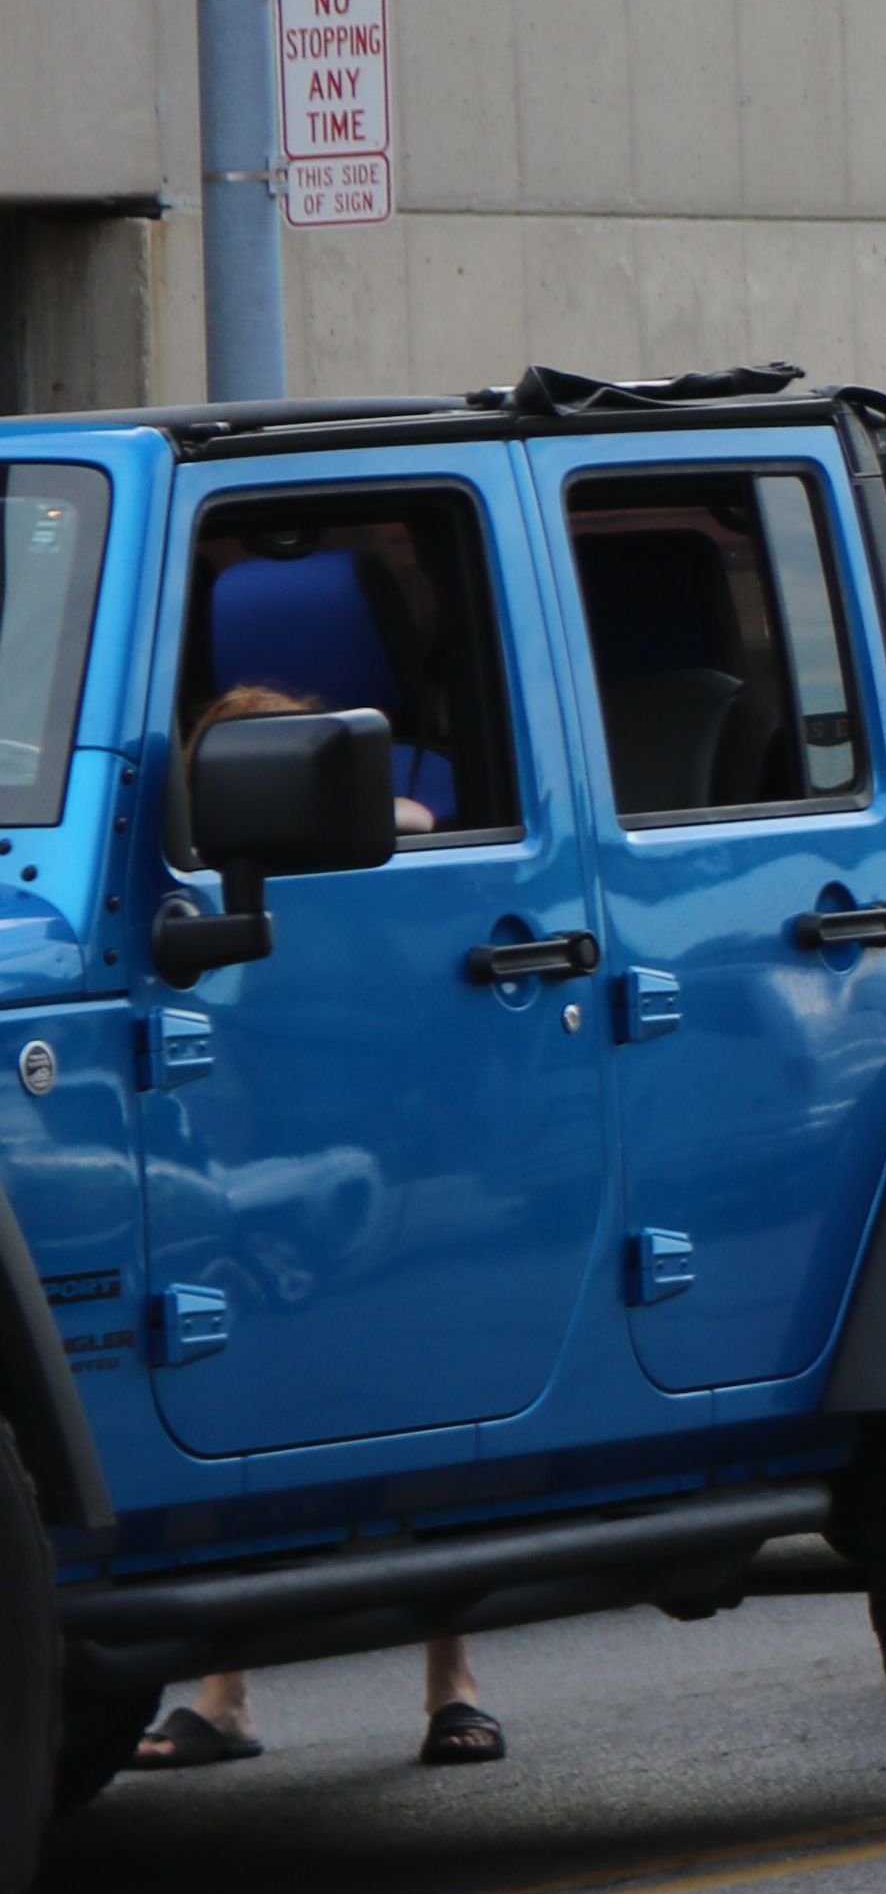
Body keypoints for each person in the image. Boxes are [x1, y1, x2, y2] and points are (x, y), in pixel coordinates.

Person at [133, 683, 503, 1775]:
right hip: (254, 1163)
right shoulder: (190, 881)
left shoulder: (363, 867)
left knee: (419, 1406)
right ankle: (225, 1692)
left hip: (378, 1159)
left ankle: (455, 1685)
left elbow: (417, 828)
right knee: (235, 1404)